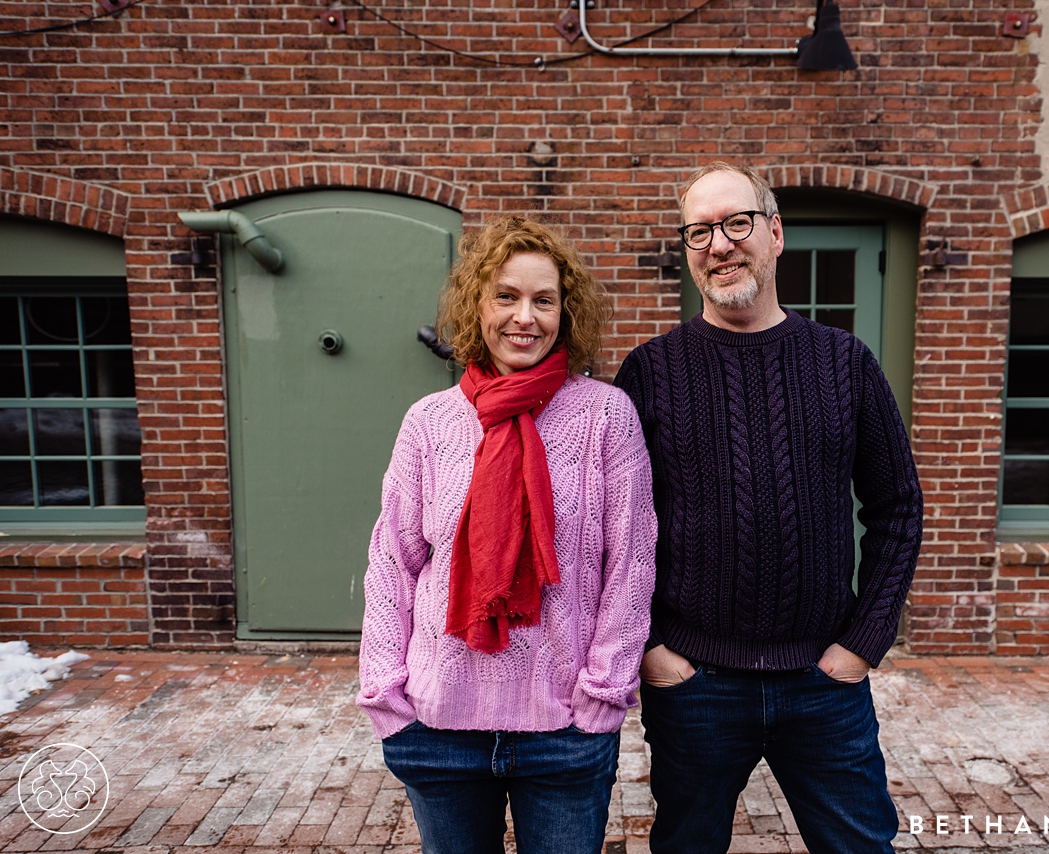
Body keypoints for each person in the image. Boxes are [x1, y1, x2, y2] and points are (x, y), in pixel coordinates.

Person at [614, 163, 923, 854]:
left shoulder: (844, 362)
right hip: (695, 684)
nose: (719, 244)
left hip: (822, 682)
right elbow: (613, 528)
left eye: (736, 223)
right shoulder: (650, 371)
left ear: (775, 233)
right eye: (699, 231)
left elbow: (898, 508)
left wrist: (860, 645)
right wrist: (654, 649)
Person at [358, 215, 657, 854]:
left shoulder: (606, 416)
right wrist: (387, 697)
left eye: (543, 300)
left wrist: (602, 697)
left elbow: (630, 562)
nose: (525, 317)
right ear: (478, 306)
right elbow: (393, 561)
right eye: (507, 296)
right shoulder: (430, 422)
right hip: (438, 729)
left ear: (565, 313)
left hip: (563, 733)